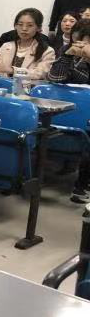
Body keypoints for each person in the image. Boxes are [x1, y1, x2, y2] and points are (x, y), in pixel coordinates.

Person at [47, 18, 90, 203]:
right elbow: (55, 77)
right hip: (66, 111)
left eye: (85, 42)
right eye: (76, 40)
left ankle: (81, 187)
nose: (80, 46)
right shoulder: (67, 51)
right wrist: (67, 56)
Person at [0, 8, 55, 80]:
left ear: (38, 28)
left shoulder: (47, 51)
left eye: (30, 25)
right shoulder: (6, 46)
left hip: (30, 87)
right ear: (15, 26)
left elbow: (40, 74)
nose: (24, 28)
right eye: (20, 24)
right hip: (2, 85)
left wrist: (13, 70)